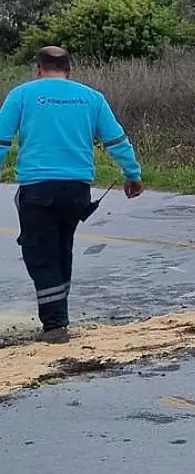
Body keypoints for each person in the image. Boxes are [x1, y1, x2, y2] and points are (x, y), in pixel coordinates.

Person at [0, 46, 143, 344]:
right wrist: (133, 175)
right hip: (77, 190)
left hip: (38, 188)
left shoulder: (22, 95)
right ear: (69, 70)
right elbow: (116, 140)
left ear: (38, 69)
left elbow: (1, 141)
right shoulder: (91, 97)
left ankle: (55, 325)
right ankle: (58, 316)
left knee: (40, 254)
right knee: (62, 249)